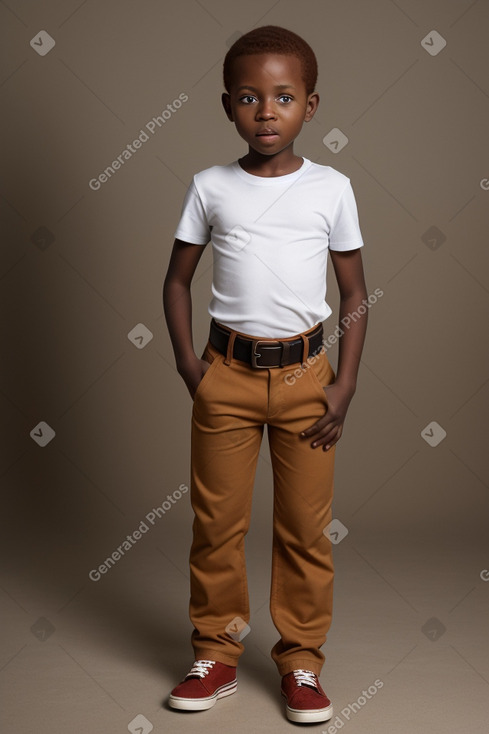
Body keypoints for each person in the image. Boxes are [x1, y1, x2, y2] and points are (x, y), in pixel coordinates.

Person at [163, 24, 368, 724]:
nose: (266, 110)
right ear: (227, 106)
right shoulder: (209, 186)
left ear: (310, 105)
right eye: (249, 97)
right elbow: (175, 282)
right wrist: (193, 368)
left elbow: (354, 295)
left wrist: (342, 385)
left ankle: (302, 663)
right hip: (226, 377)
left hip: (308, 379)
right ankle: (214, 655)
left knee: (303, 531)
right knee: (215, 523)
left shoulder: (331, 188)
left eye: (283, 96)